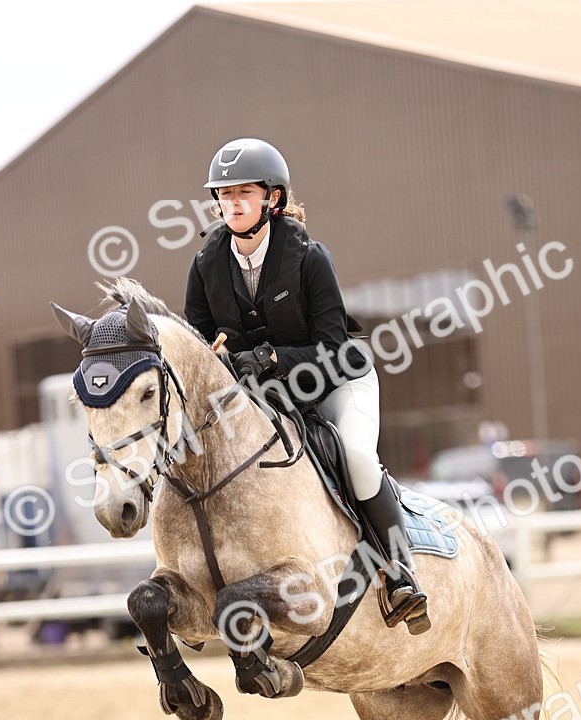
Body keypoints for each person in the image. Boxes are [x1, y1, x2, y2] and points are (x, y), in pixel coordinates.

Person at [184, 138, 429, 634]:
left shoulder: (309, 258)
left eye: (243, 193)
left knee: (357, 457)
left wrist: (272, 357)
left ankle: (402, 571)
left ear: (272, 199)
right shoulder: (206, 264)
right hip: (264, 398)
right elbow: (198, 344)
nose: (231, 204)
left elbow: (334, 349)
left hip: (335, 381)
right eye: (224, 194)